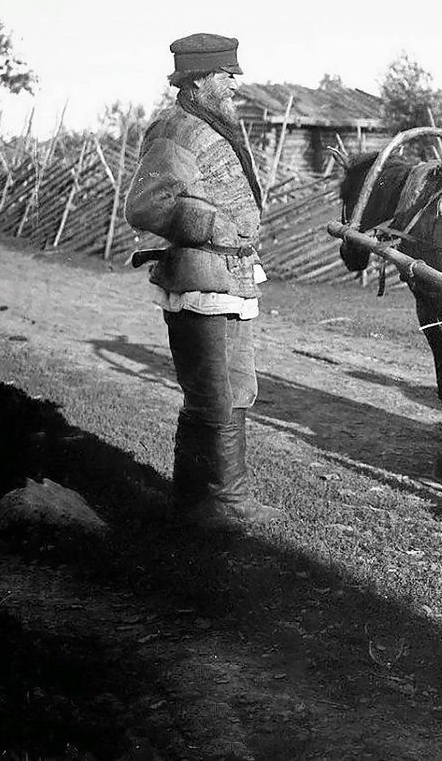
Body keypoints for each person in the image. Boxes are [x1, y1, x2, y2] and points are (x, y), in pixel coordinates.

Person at [125, 33, 282, 528]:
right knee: (212, 393)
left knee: (237, 389)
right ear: (198, 81)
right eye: (226, 74)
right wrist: (212, 224)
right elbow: (144, 205)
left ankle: (222, 498)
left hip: (232, 276)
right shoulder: (174, 130)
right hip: (200, 279)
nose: (235, 82)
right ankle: (201, 502)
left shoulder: (210, 123)